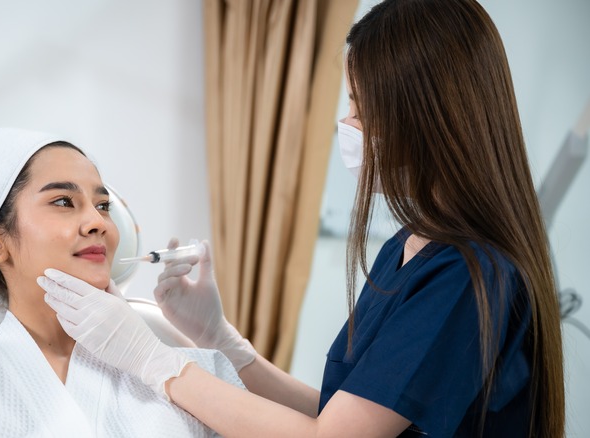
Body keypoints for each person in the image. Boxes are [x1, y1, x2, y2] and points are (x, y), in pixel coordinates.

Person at [37, 0, 566, 436]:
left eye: (359, 105)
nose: (347, 122)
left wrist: (150, 359)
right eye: (63, 201)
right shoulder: (407, 247)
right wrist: (222, 341)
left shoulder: (465, 276)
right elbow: (340, 414)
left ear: (421, 117)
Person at [0, 128, 243, 437]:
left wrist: (220, 343)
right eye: (64, 201)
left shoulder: (188, 369)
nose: (97, 222)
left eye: (102, 206)